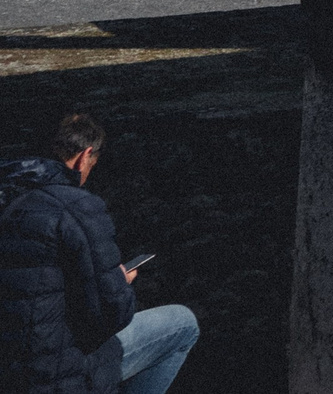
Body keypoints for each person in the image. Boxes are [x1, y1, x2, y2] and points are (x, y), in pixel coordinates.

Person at [0, 112, 197, 394]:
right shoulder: (75, 206)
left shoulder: (8, 196)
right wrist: (119, 282)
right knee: (182, 324)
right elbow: (110, 315)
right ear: (84, 156)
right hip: (55, 379)